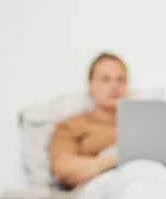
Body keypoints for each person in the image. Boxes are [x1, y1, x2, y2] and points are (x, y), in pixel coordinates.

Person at [48, 52, 128, 189]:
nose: (114, 86)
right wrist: (116, 162)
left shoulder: (142, 125)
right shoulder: (71, 126)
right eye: (105, 79)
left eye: (120, 80)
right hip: (105, 186)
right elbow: (64, 169)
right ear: (90, 86)